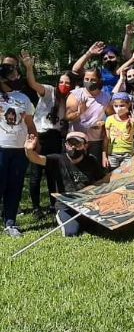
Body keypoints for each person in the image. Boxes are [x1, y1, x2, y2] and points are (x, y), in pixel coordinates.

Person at [24, 132, 105, 237]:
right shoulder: (57, 160)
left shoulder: (91, 161)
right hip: (66, 206)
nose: (73, 147)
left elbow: (102, 182)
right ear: (65, 145)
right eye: (70, 144)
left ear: (85, 146)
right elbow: (36, 159)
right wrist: (29, 150)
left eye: (77, 144)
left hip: (87, 204)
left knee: (98, 228)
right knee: (71, 232)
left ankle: (85, 222)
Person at [22, 52, 73, 217]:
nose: (64, 85)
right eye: (61, 82)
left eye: (67, 82)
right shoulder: (49, 91)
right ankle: (36, 207)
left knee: (53, 172)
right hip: (40, 135)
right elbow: (33, 83)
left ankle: (53, 204)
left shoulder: (69, 99)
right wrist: (29, 67)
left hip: (55, 137)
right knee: (36, 173)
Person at [0, 56, 37, 237]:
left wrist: (35, 141)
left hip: (19, 150)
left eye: (17, 73)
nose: (16, 77)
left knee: (15, 186)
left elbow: (29, 123)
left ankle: (10, 222)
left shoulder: (23, 98)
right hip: (1, 148)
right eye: (12, 74)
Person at [66, 66, 112, 161]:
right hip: (76, 139)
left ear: (99, 80)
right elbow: (68, 117)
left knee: (94, 166)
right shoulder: (75, 95)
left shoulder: (105, 97)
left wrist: (104, 122)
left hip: (96, 141)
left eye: (93, 80)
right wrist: (79, 112)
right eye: (86, 79)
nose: (89, 82)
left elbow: (112, 117)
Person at [103, 92, 134, 170]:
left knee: (125, 173)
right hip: (112, 154)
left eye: (122, 105)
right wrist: (104, 156)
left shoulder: (132, 119)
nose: (119, 108)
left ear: (128, 104)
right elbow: (106, 139)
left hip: (128, 155)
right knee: (113, 174)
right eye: (116, 106)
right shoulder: (110, 119)